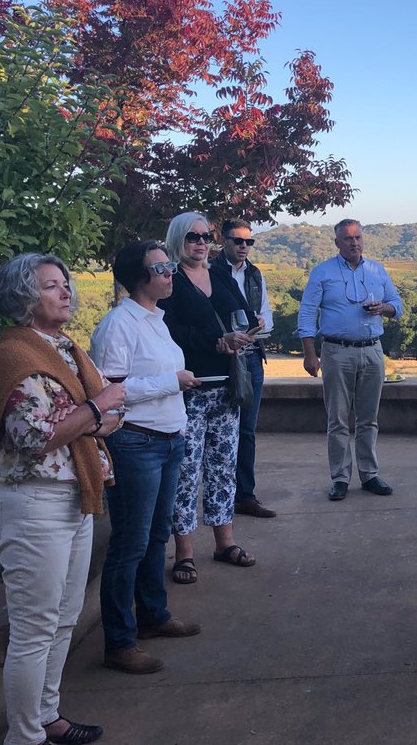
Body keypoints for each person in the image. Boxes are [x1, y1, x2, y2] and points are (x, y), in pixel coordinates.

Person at [0, 252, 123, 745]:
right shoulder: (17, 357)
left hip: (74, 499)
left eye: (65, 283)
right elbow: (34, 437)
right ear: (25, 296)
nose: (66, 291)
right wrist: (93, 409)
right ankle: (24, 737)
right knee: (33, 630)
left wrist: (94, 413)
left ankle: (48, 716)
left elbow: (112, 416)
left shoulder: (65, 348)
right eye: (51, 286)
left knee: (63, 621)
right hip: (34, 504)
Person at [90, 241, 203, 675]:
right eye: (163, 267)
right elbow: (108, 393)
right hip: (136, 443)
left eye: (170, 265)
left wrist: (172, 385)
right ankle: (119, 642)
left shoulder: (157, 320)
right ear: (139, 276)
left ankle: (153, 616)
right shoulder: (119, 325)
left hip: (168, 440)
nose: (172, 272)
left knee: (157, 536)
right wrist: (170, 381)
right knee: (130, 545)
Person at [160, 212, 258, 584]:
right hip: (191, 387)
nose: (200, 243)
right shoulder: (171, 279)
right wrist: (214, 341)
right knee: (187, 472)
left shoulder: (218, 274)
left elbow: (244, 313)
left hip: (225, 386)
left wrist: (242, 333)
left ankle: (224, 542)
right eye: (192, 237)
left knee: (222, 467)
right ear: (177, 240)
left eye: (206, 236)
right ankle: (184, 553)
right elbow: (167, 328)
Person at [298, 218, 403, 501]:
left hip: (372, 350)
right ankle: (340, 478)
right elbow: (307, 314)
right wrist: (310, 353)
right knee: (338, 419)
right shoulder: (322, 273)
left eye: (358, 237)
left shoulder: (376, 270)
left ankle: (369, 475)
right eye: (348, 239)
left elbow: (398, 305)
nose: (354, 242)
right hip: (336, 352)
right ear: (337, 243)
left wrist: (384, 308)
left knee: (369, 419)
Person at [211, 219, 276, 519]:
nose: (244, 247)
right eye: (238, 241)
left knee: (247, 430)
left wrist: (259, 325)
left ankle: (244, 496)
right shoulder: (211, 273)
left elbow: (266, 318)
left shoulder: (254, 274)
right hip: (222, 357)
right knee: (221, 431)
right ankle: (219, 496)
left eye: (249, 242)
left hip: (250, 356)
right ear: (223, 241)